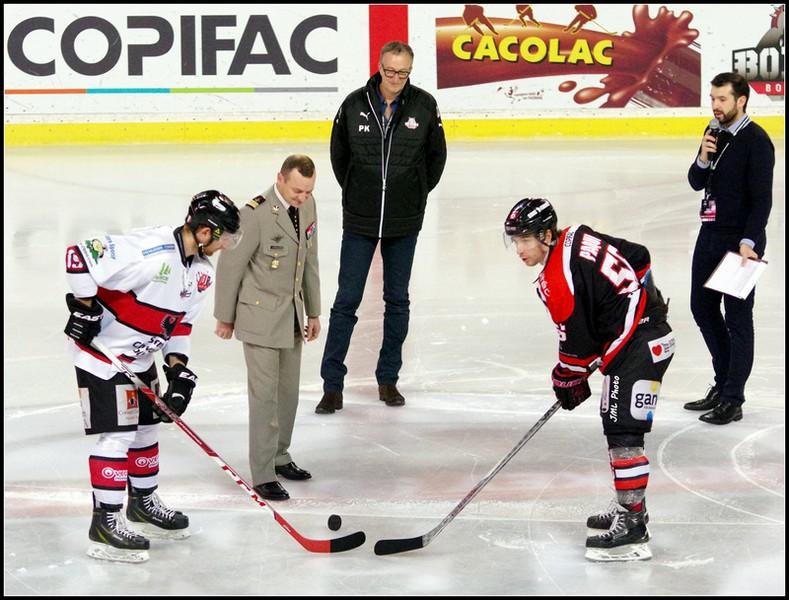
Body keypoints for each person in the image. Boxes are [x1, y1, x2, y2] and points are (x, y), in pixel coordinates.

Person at [64, 190, 242, 563]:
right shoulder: (151, 250)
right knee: (118, 436)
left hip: (142, 357)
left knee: (146, 429)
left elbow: (179, 326)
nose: (225, 246)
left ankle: (142, 503)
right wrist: (84, 308)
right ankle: (105, 521)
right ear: (205, 232)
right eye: (224, 237)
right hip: (104, 355)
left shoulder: (202, 273)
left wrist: (177, 371)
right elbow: (78, 256)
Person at [503, 197, 674, 562]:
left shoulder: (557, 280)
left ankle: (633, 524)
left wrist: (566, 379)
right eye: (515, 241)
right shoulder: (577, 235)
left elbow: (577, 347)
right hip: (647, 336)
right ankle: (631, 505)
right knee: (617, 423)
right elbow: (639, 256)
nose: (519, 249)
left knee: (623, 430)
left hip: (642, 347)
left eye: (526, 239)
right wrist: (641, 303)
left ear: (547, 235)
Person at [315, 40, 447, 414]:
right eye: (390, 71)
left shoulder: (424, 106)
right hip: (360, 218)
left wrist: (413, 192)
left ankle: (388, 379)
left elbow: (436, 158)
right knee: (346, 300)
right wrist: (359, 190)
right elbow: (340, 156)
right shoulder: (354, 104)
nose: (395, 78)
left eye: (403, 72)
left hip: (404, 221)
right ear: (379, 66)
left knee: (397, 300)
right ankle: (332, 385)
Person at [214, 155, 321, 501]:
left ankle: (280, 456)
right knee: (264, 398)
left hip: (291, 316)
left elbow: (310, 259)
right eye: (297, 190)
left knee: (288, 394)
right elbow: (230, 265)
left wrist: (314, 312)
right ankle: (262, 472)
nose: (302, 197)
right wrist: (224, 317)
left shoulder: (308, 206)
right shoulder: (254, 214)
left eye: (308, 191)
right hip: (258, 317)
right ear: (280, 178)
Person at [684, 72, 775, 425]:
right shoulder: (714, 133)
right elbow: (696, 182)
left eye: (722, 99)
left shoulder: (757, 141)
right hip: (709, 234)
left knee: (737, 320)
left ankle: (733, 398)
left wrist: (748, 243)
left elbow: (762, 201)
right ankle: (722, 384)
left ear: (741, 101)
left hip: (740, 243)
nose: (715, 105)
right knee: (702, 307)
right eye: (712, 98)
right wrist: (703, 157)